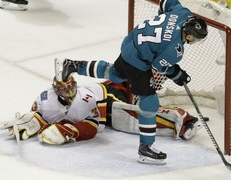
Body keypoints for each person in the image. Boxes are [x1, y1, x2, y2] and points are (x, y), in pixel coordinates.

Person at [60, 0, 208, 164]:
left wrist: (162, 18)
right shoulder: (175, 50)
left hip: (130, 43)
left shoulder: (182, 13)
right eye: (194, 38)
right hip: (137, 60)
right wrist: (177, 75)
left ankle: (73, 66)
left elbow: (168, 0)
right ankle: (146, 148)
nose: (194, 41)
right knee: (150, 102)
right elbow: (160, 67)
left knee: (115, 74)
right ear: (189, 34)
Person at [7, 76, 202, 149]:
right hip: (109, 90)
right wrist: (35, 121)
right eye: (64, 89)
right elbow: (44, 115)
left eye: (71, 87)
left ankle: (183, 120)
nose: (69, 92)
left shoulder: (86, 99)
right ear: (56, 90)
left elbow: (95, 127)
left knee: (131, 116)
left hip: (109, 97)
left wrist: (71, 131)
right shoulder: (45, 98)